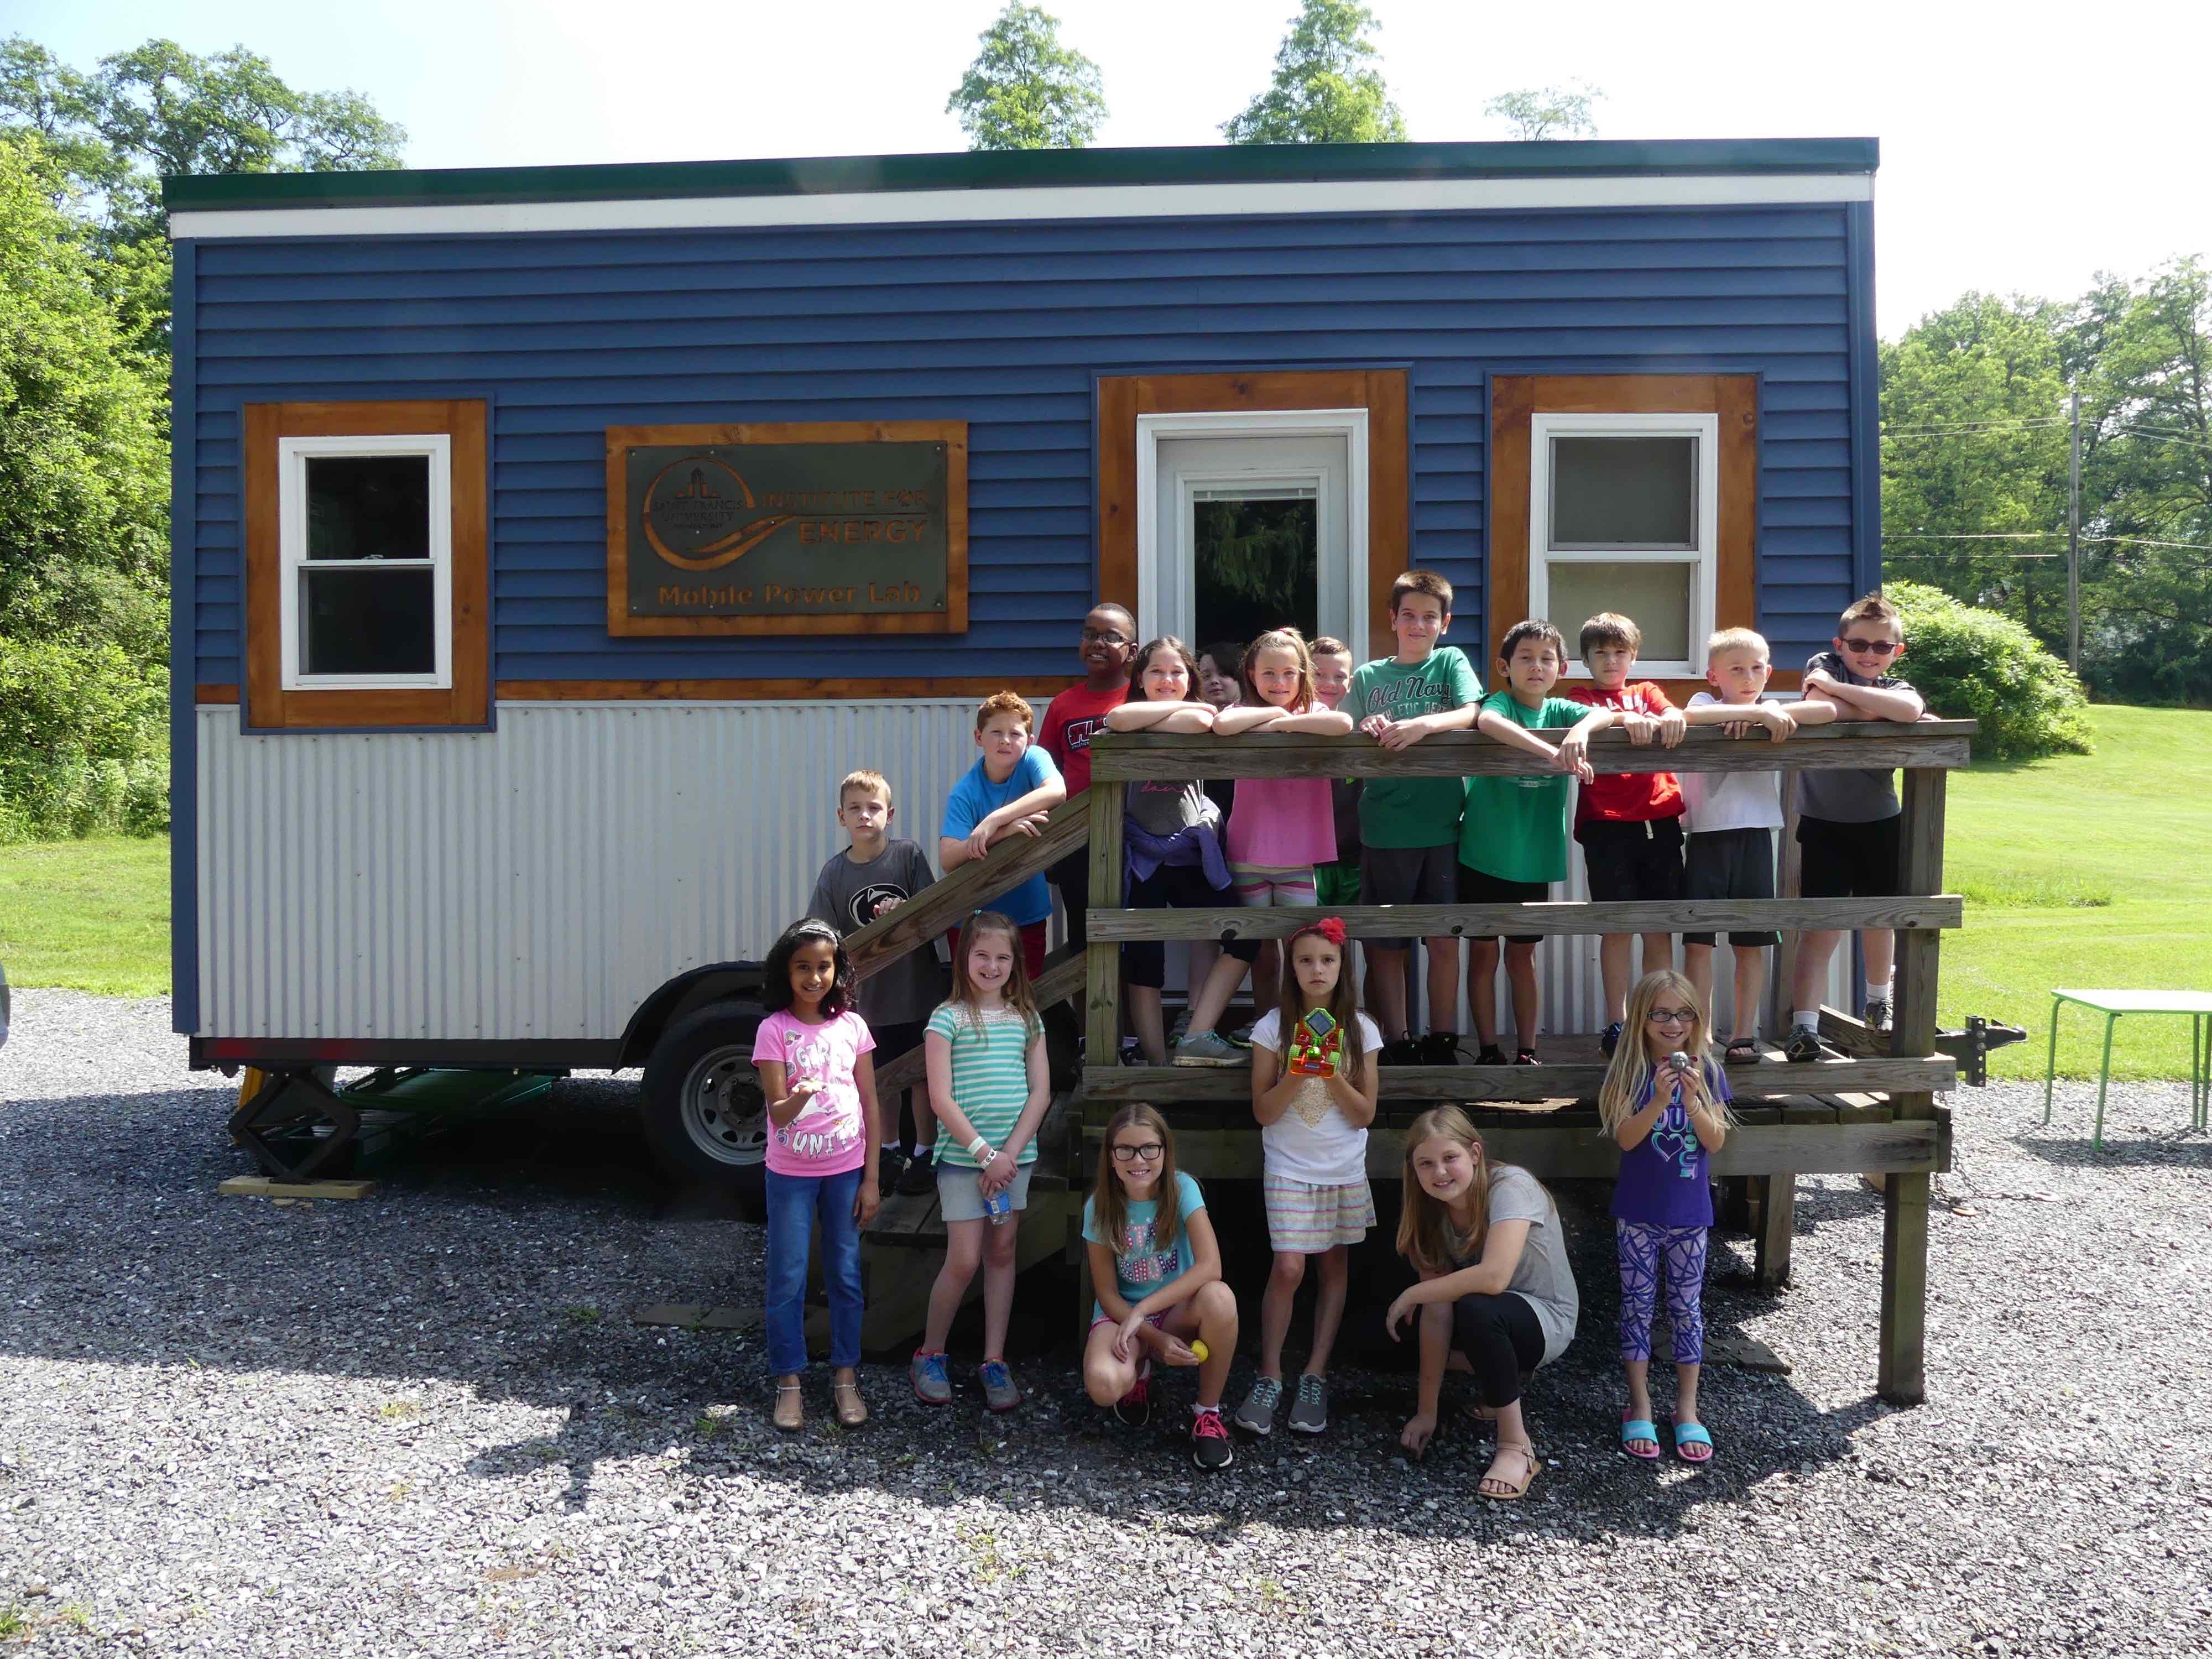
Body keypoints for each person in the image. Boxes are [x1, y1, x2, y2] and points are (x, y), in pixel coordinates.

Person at [1173, 629, 1352, 1067]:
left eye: (1289, 673)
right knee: (1251, 946)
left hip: (1299, 856)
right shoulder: (1241, 711)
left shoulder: (1313, 711)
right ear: (1250, 674)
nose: (1279, 681)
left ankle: (1314, 1041)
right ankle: (1254, 1031)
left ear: (1303, 675)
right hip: (1249, 852)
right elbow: (1222, 724)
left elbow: (1342, 724)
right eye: (1268, 672)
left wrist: (1283, 721)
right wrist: (1272, 716)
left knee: (1308, 949)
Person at [1233, 916, 1381, 1438]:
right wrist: (1298, 1070)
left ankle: (1315, 1373)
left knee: (1333, 1266)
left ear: (1343, 968)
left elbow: (1364, 1114)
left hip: (1342, 1165)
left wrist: (1332, 1073)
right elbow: (1264, 1112)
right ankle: (1271, 1373)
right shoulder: (1272, 1028)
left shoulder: (1362, 1030)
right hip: (1290, 1166)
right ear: (1291, 969)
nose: (1317, 969)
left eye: (1327, 960)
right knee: (1291, 1267)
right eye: (1305, 960)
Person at [1387, 1105, 1579, 1499]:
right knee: (1388, 1339)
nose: (1439, 1172)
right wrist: (1428, 1412)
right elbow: (1437, 1314)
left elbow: (1494, 1278)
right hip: (1490, 1319)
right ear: (1414, 1170)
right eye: (1426, 1164)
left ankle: (1516, 1447)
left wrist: (1411, 1294)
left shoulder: (1511, 1185)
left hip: (1545, 1320)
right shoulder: (1430, 1213)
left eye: (1450, 1158)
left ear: (1475, 1153)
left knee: (1477, 1305)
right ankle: (1500, 1378)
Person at [911, 911, 1055, 1413]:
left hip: (1014, 1161)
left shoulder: (1028, 1019)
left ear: (1015, 964)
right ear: (963, 957)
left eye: (1002, 957)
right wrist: (984, 1154)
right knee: (966, 1258)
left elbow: (1041, 1092)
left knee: (1003, 1251)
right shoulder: (945, 1018)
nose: (991, 966)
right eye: (981, 955)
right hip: (964, 1158)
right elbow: (940, 1099)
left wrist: (1009, 1155)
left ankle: (994, 1359)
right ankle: (930, 1353)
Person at [1342, 571, 1485, 1063]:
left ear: (1444, 624)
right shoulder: (1367, 677)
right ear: (1393, 619)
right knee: (1388, 943)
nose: (1418, 625)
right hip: (1384, 826)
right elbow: (1351, 728)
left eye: (1429, 617)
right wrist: (1368, 725)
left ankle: (1443, 1038)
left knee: (1443, 937)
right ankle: (1397, 1039)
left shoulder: (1450, 662)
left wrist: (1425, 724)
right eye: (1409, 616)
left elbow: (1472, 711)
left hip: (1443, 825)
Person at [1678, 628, 1837, 1061]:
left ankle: (1744, 1034)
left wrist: (1764, 714)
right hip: (1707, 837)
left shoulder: (1774, 709)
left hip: (1755, 835)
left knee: (1751, 942)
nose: (1747, 678)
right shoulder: (1704, 704)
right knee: (1699, 943)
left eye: (1755, 669)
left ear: (1768, 672)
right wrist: (1752, 716)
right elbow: (1690, 719)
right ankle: (1700, 1033)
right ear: (1714, 676)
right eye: (1736, 670)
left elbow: (1825, 711)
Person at [750, 917, 882, 1432]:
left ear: (838, 970)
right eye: (802, 967)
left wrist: (872, 1179)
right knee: (787, 1277)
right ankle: (789, 1383)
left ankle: (845, 1377)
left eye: (823, 966)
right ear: (785, 972)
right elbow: (778, 1115)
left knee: (846, 1275)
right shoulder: (773, 1030)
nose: (813, 977)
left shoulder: (853, 1026)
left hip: (847, 1170)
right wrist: (798, 1098)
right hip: (790, 1175)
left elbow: (871, 1102)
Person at [1599, 968, 1735, 1463]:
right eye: (1660, 1014)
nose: (1673, 1023)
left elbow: (1716, 1140)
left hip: (1690, 1215)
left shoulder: (1710, 1071)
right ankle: (1638, 1402)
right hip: (1637, 1213)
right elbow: (1626, 1138)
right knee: (1636, 1308)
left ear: (1697, 1019)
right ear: (1641, 1019)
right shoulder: (1627, 1071)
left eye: (1683, 1014)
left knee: (1686, 1311)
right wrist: (1660, 1098)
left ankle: (1687, 1408)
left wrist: (1693, 1099)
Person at [1788, 594, 1926, 1054]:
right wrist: (1875, 709)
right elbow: (1817, 707)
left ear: (1897, 651)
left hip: (1880, 822)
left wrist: (1844, 694)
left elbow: (1907, 710)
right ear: (1840, 644)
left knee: (1880, 918)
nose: (1869, 654)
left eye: (1881, 647)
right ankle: (1804, 1026)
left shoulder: (1897, 686)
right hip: (1824, 823)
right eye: (1859, 644)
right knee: (1820, 927)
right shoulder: (1822, 663)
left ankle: (1878, 1003)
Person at [1103, 637, 1250, 1065]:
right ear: (1141, 679)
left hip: (1191, 856)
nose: (1167, 680)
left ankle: (1197, 1034)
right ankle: (1157, 1064)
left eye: (1177, 673)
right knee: (1145, 964)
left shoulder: (1199, 713)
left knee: (1246, 933)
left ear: (1190, 679)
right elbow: (1117, 716)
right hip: (1144, 861)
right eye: (1156, 672)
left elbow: (1203, 719)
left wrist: (1151, 722)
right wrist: (1159, 717)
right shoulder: (1129, 716)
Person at [1463, 620, 1604, 1064]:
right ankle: (1488, 1049)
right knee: (1484, 955)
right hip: (1484, 854)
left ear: (1561, 668)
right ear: (1505, 666)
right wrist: (1552, 754)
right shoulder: (1500, 702)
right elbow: (1487, 722)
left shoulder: (1562, 711)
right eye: (1525, 657)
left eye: (1546, 659)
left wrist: (1579, 734)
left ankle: (1527, 1050)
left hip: (1534, 857)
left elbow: (1607, 714)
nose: (1536, 666)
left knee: (1522, 958)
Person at [807, 769, 948, 1194]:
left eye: (873, 809)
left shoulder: (907, 856)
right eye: (855, 809)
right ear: (841, 817)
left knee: (922, 1076)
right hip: (866, 1002)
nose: (864, 816)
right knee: (880, 1078)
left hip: (917, 992)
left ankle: (925, 1152)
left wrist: (902, 911)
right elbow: (823, 937)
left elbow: (935, 911)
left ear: (890, 813)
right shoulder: (834, 875)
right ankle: (888, 1150)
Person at [1081, 1103, 1240, 1469]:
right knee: (1105, 1386)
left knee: (1221, 1298)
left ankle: (1207, 1414)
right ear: (1111, 1158)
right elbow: (1105, 1293)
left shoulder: (1183, 1188)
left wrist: (1145, 1314)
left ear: (1165, 1151)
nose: (1139, 1159)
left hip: (1169, 1311)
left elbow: (1210, 1266)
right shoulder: (1100, 1207)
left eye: (1149, 1148)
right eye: (1126, 1149)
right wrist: (1151, 1336)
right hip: (1122, 1314)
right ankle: (1140, 1373)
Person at [1568, 612, 1688, 1058]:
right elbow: (1589, 719)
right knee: (1616, 928)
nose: (1611, 660)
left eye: (1620, 652)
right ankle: (1616, 1024)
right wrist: (1622, 722)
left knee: (1658, 928)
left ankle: (1663, 1018)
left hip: (1658, 822)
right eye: (1600, 653)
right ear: (1586, 660)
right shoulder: (1580, 696)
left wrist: (1671, 718)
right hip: (1605, 824)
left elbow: (1670, 713)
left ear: (1634, 657)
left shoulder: (1647, 692)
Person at [938, 692, 1067, 979]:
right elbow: (949, 858)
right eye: (996, 732)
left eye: (1015, 733)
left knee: (1024, 996)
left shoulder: (1033, 759)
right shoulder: (966, 791)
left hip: (1025, 914)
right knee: (974, 1004)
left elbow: (1057, 791)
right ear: (978, 737)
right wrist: (1004, 832)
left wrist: (994, 820)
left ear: (1030, 740)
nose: (1006, 740)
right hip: (973, 920)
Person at [1039, 603, 1135, 952]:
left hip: (1133, 834)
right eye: (1090, 635)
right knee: (1083, 938)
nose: (1097, 643)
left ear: (1131, 652)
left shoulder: (1140, 698)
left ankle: (1130, 1008)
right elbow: (1046, 770)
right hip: (1077, 836)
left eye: (1111, 637)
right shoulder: (1063, 705)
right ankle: (1086, 1010)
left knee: (1133, 939)